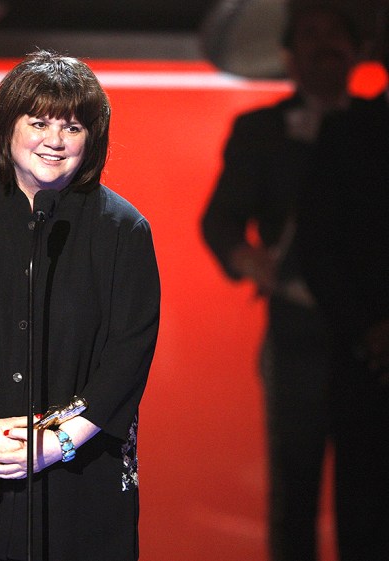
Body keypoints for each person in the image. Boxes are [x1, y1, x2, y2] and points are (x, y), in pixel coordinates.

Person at [0, 49, 160, 561]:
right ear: (6, 127)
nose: (55, 141)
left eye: (72, 127)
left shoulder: (122, 229)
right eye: (38, 121)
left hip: (81, 485)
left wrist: (58, 443)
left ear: (93, 138)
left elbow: (128, 355)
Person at [200, 4, 364, 561]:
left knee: (372, 494)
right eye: (311, 36)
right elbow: (218, 221)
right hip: (297, 333)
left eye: (336, 33)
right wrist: (249, 259)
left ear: (357, 51)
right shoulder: (261, 130)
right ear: (289, 57)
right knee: (295, 493)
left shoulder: (378, 125)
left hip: (373, 335)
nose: (325, 44)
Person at [295, 6, 389, 559]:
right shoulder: (350, 131)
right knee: (365, 517)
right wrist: (371, 330)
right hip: (366, 364)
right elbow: (319, 248)